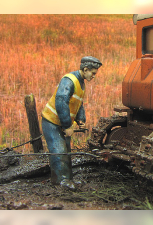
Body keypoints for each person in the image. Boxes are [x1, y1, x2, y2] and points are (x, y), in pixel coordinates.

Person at [41, 56, 102, 190]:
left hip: (61, 122)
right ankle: (60, 182)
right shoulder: (69, 81)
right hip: (52, 121)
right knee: (59, 150)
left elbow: (78, 102)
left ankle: (67, 179)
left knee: (66, 151)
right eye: (93, 73)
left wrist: (81, 119)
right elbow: (61, 102)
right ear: (85, 69)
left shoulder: (81, 83)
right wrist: (67, 125)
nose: (93, 76)